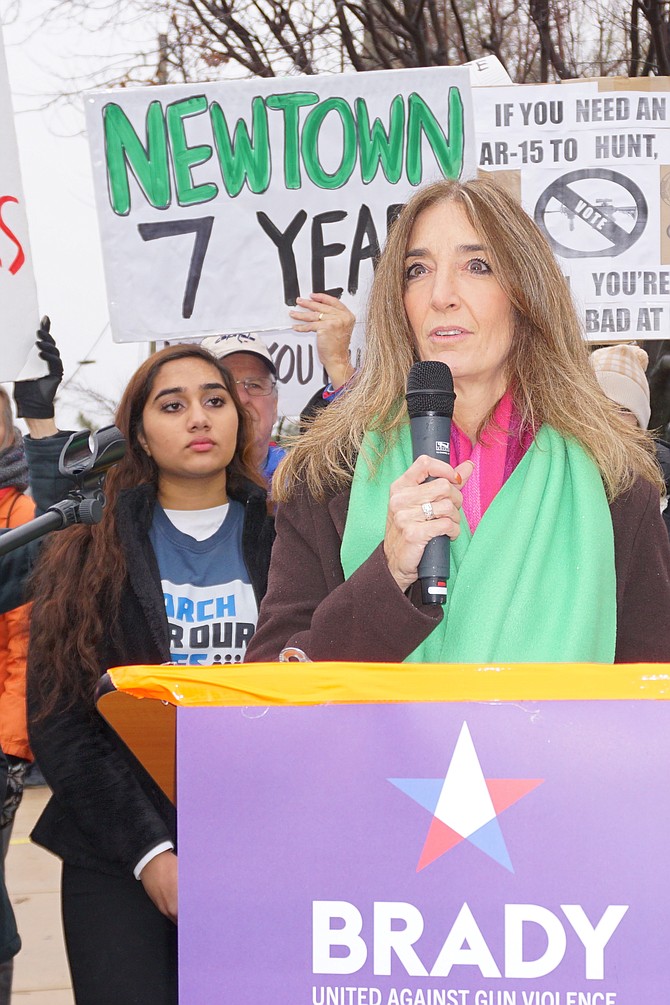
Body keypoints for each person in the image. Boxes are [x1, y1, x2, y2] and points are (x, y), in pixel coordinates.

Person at [246, 177, 670, 666]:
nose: (441, 295)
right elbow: (271, 686)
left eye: (477, 266)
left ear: (525, 293)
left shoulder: (613, 478)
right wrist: (387, 575)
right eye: (417, 270)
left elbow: (649, 696)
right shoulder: (329, 471)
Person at [27, 344, 274, 1004]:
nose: (199, 417)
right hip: (117, 852)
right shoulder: (87, 547)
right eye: (174, 404)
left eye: (215, 400)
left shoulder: (287, 536)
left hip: (260, 849)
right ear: (138, 430)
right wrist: (150, 853)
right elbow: (62, 723)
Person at [591, 343, 670, 536]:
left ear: (639, 419)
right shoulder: (561, 465)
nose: (612, 420)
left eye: (624, 410)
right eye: (602, 407)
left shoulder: (664, 472)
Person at [200, 331, 285, 487]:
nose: (241, 398)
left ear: (274, 406)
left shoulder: (308, 481)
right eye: (225, 385)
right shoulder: (161, 490)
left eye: (255, 385)